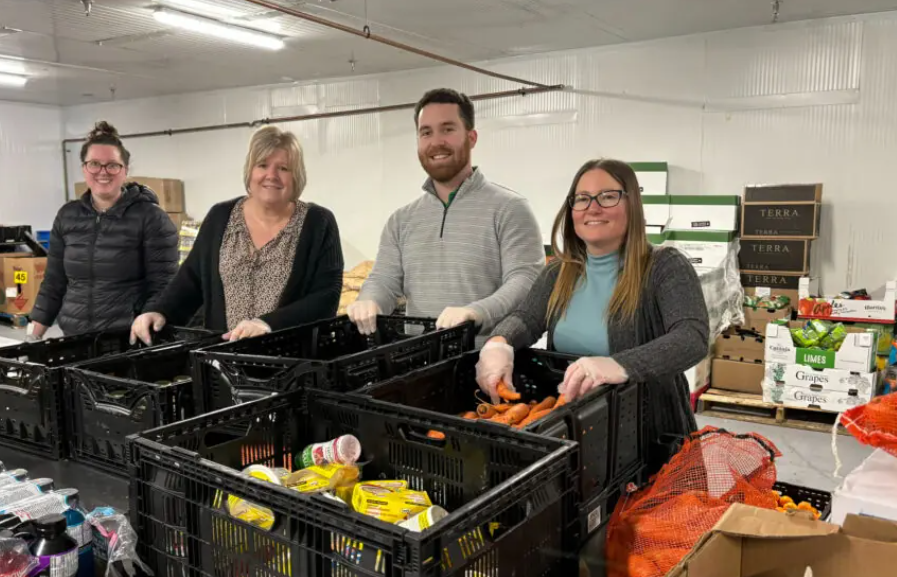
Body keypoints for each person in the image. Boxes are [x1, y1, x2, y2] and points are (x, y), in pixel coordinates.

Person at [475, 158, 709, 474]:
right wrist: (499, 343)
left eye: (608, 196)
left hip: (647, 439)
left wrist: (619, 364)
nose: (592, 208)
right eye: (582, 199)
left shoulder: (664, 267)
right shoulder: (560, 272)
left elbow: (691, 337)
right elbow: (527, 318)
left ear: (632, 205)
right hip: (576, 435)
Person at [347, 88, 544, 338]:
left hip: (488, 364)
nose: (436, 141)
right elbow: (384, 280)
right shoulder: (401, 220)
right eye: (426, 132)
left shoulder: (510, 208)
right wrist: (370, 301)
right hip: (418, 362)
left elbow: (526, 281)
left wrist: (476, 313)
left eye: (448, 129)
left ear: (471, 137)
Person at [130, 125, 343, 344]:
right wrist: (159, 311)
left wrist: (267, 324)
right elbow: (190, 280)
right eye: (262, 165)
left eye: (283, 168)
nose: (271, 175)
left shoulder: (318, 223)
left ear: (296, 176)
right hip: (222, 362)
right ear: (250, 171)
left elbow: (326, 297)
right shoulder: (220, 216)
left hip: (290, 360)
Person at [28, 121, 178, 338]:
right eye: (95, 164)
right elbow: (54, 282)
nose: (103, 172)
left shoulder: (151, 218)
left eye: (112, 165)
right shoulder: (67, 216)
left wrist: (147, 322)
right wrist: (32, 337)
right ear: (84, 168)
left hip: (128, 340)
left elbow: (164, 284)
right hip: (74, 338)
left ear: (125, 170)